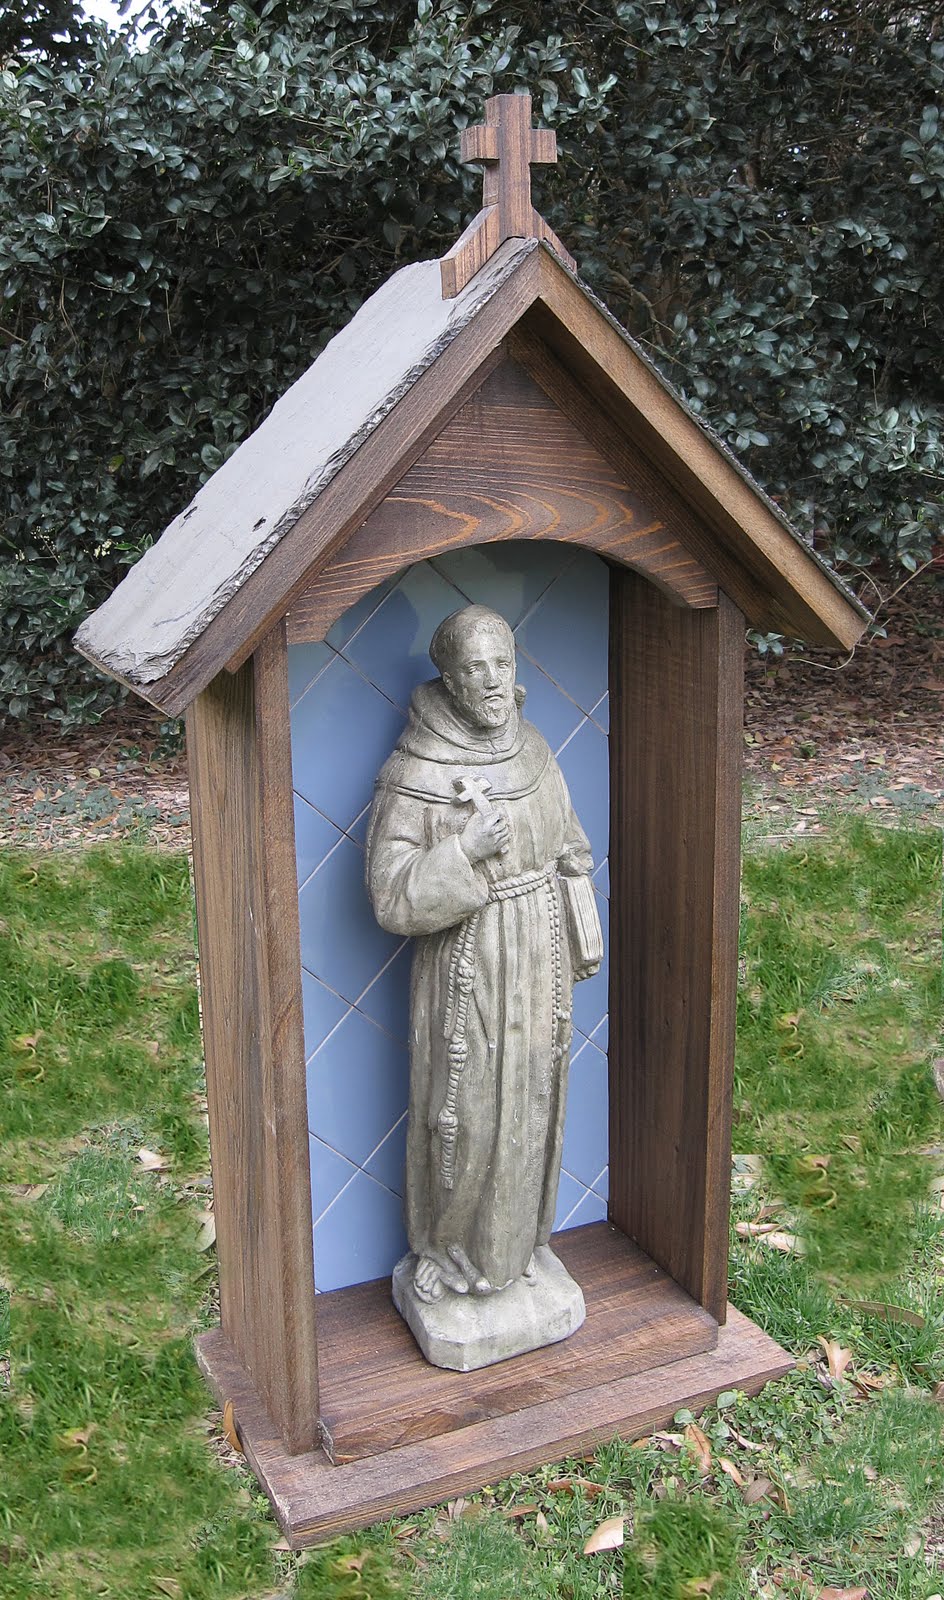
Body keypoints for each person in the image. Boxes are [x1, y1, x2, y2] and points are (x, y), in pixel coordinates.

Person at [366, 604, 602, 1318]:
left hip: (539, 958)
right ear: (449, 679)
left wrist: (573, 898)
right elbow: (389, 892)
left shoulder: (533, 750)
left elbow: (572, 843)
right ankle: (444, 1249)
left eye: (502, 663)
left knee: (533, 1099)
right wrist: (464, 852)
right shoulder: (415, 770)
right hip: (465, 964)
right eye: (474, 668)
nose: (493, 680)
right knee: (463, 1113)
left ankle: (520, 1246)